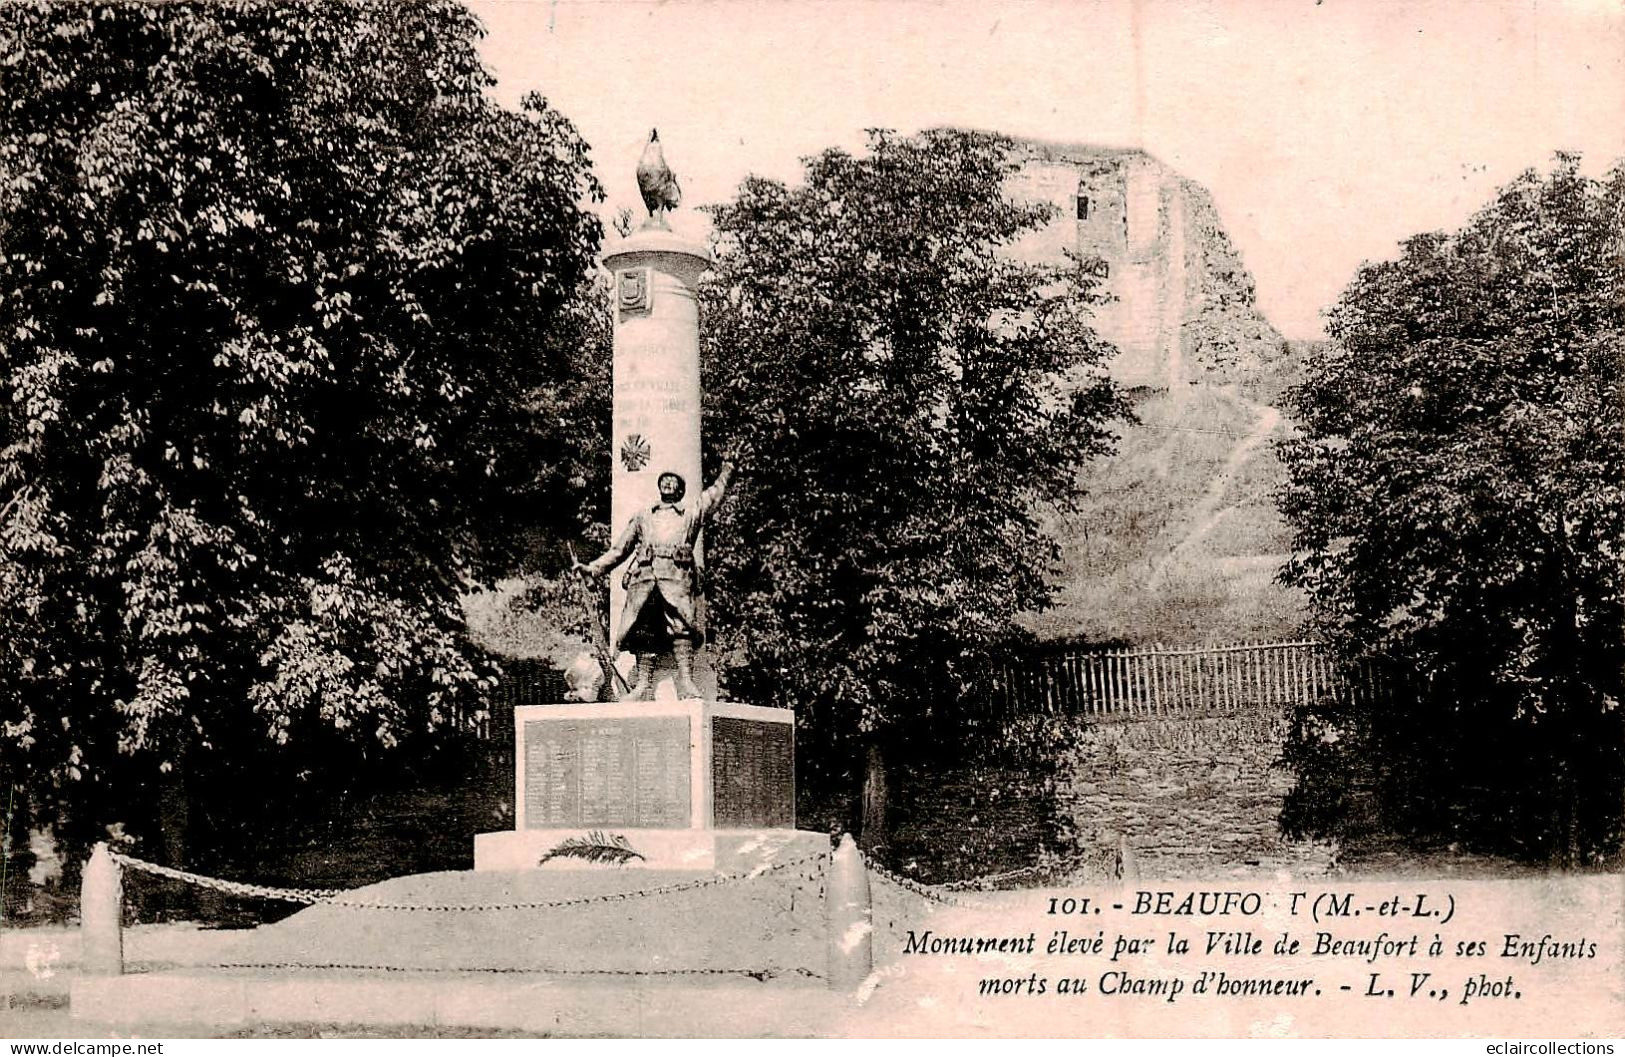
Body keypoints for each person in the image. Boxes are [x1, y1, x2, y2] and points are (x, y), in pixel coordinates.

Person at [576, 460, 735, 700]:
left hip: (677, 581)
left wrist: (727, 471)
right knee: (643, 630)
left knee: (682, 628)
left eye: (675, 481)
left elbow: (713, 497)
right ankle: (641, 686)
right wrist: (593, 568)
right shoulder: (643, 516)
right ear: (659, 485)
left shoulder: (691, 513)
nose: (669, 483)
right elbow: (620, 549)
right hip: (645, 581)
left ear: (681, 490)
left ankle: (687, 681)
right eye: (665, 479)